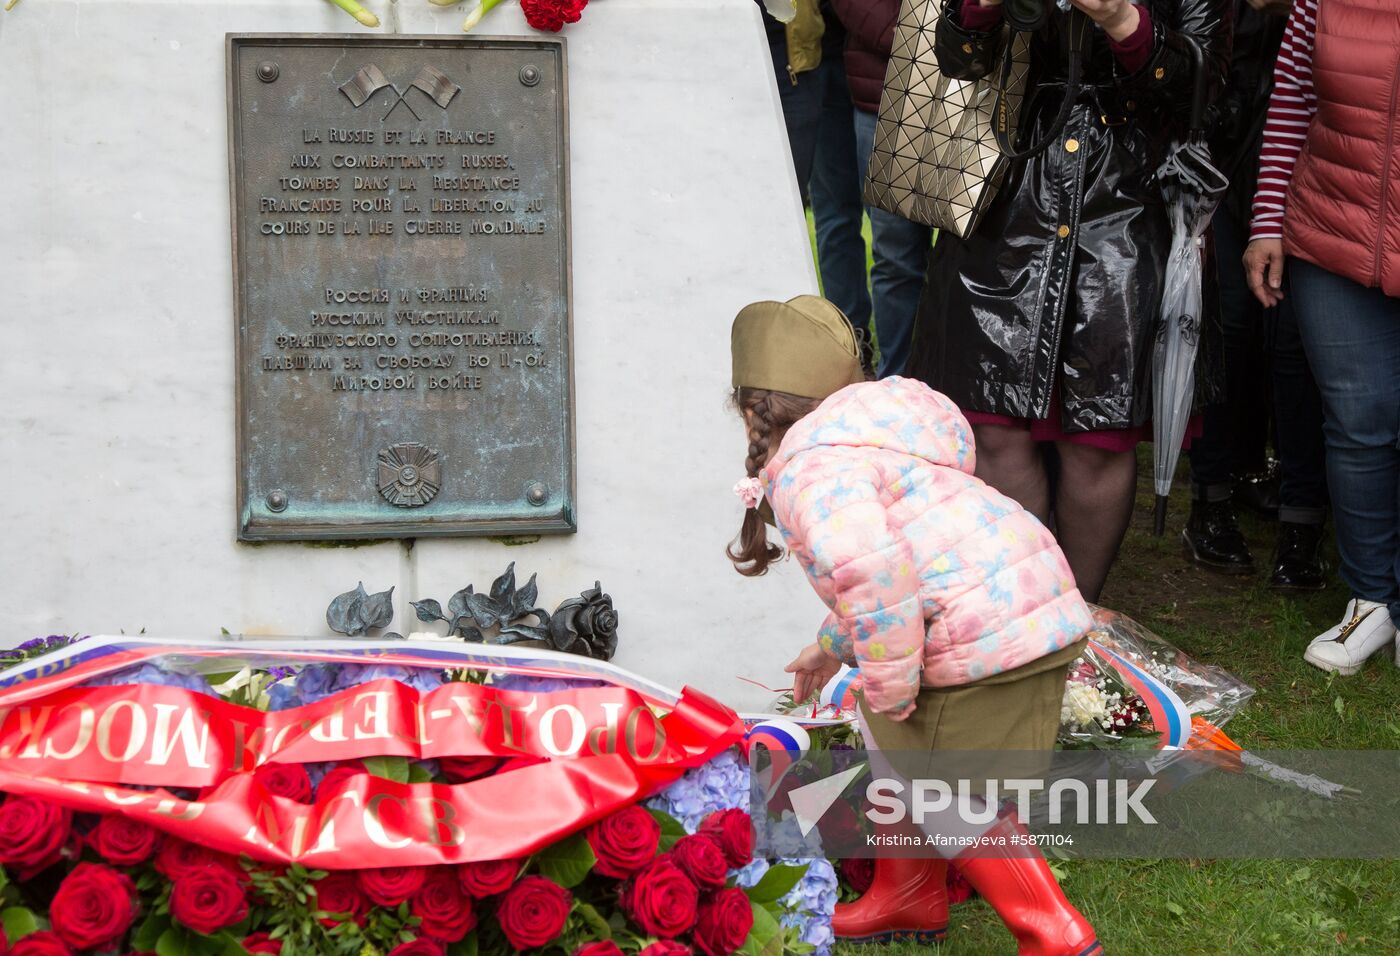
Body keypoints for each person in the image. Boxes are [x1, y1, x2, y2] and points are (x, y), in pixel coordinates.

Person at [728, 295, 1100, 955]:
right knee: (889, 740)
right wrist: (829, 647)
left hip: (984, 640)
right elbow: (889, 568)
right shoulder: (868, 441)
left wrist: (891, 684)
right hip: (1019, 609)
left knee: (943, 789)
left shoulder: (813, 474)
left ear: (754, 411)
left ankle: (1055, 933)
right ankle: (910, 893)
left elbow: (880, 582)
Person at [904, 0, 1231, 603]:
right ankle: (1020, 610)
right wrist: (977, 12)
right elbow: (952, 61)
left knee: (1098, 434)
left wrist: (1122, 22)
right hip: (1005, 201)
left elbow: (1206, 96)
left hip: (1128, 211)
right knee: (996, 424)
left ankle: (1077, 615)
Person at [1244, 0, 1400, 674]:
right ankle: (1370, 602)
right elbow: (1289, 108)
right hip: (1331, 233)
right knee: (1358, 423)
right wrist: (1266, 222)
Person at [1184, 0, 1330, 591]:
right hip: (1223, 152)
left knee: (1298, 345)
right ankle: (1210, 499)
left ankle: (1303, 522)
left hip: (1318, 160)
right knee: (1227, 326)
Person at [761, 0, 875, 365]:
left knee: (888, 224)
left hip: (866, 51)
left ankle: (863, 346)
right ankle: (848, 342)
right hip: (812, 57)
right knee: (833, 214)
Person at [830, 0, 935, 377]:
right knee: (897, 258)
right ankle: (898, 386)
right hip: (887, 98)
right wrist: (924, 41)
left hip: (982, 95)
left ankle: (968, 396)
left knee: (978, 261)